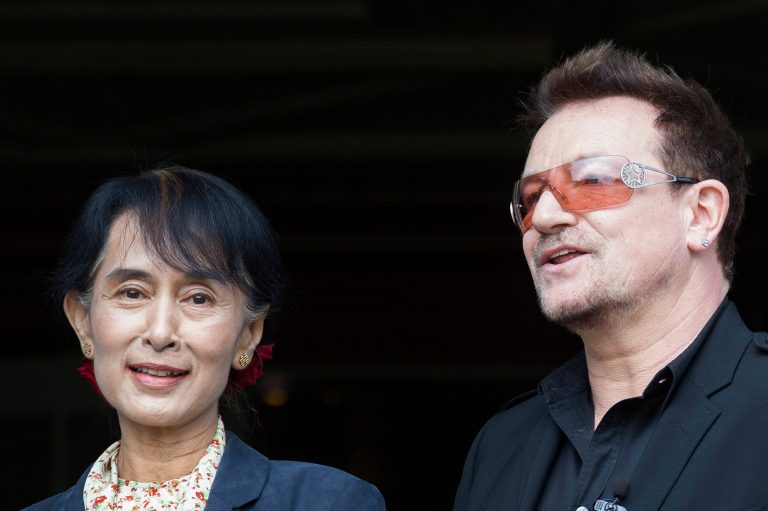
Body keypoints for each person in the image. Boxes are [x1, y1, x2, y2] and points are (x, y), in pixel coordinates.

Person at [454, 42, 768, 510]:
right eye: (532, 196)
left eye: (593, 181)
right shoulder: (502, 447)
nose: (545, 217)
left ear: (701, 214)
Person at [24, 165, 385, 510]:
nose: (161, 333)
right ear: (83, 321)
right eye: (132, 292)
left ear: (248, 335)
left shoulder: (325, 502)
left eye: (199, 298)